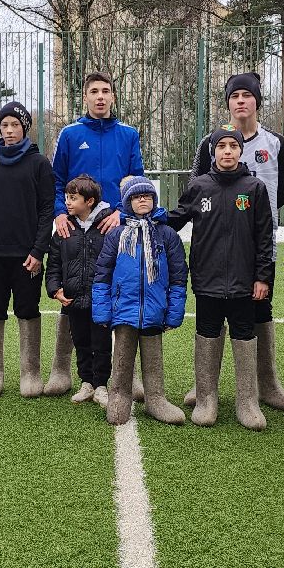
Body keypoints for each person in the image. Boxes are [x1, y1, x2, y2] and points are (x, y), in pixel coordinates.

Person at [187, 72, 284, 411]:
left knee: (260, 309)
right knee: (213, 310)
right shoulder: (211, 141)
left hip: (258, 246)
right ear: (228, 103)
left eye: (247, 96)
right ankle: (204, 388)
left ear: (257, 102)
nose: (241, 102)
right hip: (217, 245)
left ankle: (267, 385)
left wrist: (251, 217)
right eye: (235, 97)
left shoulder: (275, 142)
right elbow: (196, 186)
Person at [170, 127, 274, 430]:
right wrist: (146, 218)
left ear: (241, 151)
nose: (227, 151)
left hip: (245, 283)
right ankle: (206, 398)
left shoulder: (254, 188)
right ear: (212, 151)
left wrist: (262, 277)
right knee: (207, 334)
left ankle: (247, 401)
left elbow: (264, 237)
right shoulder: (199, 186)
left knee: (244, 335)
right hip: (207, 280)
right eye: (221, 146)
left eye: (233, 146)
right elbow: (177, 218)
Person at [47, 71, 142, 397]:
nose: (100, 97)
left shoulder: (128, 134)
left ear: (113, 97)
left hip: (116, 227)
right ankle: (69, 371)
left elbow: (136, 183)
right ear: (85, 98)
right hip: (78, 228)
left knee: (118, 295)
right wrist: (62, 212)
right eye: (94, 92)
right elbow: (57, 181)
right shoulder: (71, 134)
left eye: (105, 91)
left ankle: (127, 373)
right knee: (75, 296)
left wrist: (120, 211)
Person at [0, 101, 54, 399]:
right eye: (4, 125)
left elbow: (46, 211)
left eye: (15, 125)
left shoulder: (39, 164)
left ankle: (30, 373)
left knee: (27, 310)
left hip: (27, 254)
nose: (9, 130)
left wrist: (38, 250)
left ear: (24, 128)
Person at [92, 175, 188, 426]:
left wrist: (174, 311)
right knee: (122, 360)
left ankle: (156, 399)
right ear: (127, 202)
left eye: (146, 196)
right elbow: (102, 274)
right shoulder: (117, 235)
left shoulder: (167, 235)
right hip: (123, 311)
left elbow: (179, 277)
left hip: (155, 312)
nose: (142, 200)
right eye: (136, 197)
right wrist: (102, 311)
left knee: (153, 361)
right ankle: (119, 396)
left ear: (154, 200)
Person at [46, 175, 112, 408]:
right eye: (66, 197)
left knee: (101, 343)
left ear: (90, 201)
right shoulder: (64, 229)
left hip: (101, 300)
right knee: (81, 341)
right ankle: (86, 382)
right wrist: (55, 290)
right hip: (73, 299)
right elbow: (53, 263)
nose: (68, 202)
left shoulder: (108, 227)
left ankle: (102, 385)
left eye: (73, 198)